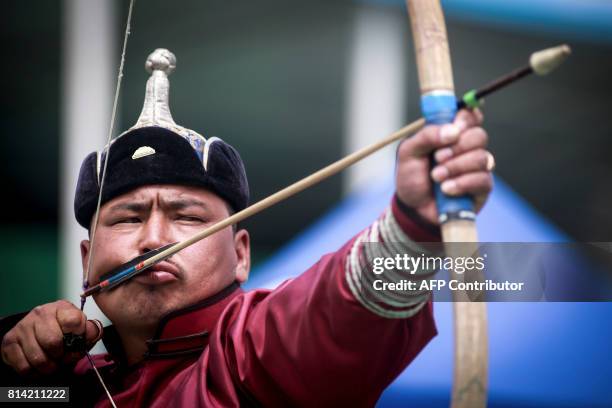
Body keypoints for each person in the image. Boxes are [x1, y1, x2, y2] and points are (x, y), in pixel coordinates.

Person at [0, 49, 493, 407]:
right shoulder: (60, 381)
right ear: (87, 259)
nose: (152, 240)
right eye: (128, 218)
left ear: (240, 254)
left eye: (187, 217)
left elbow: (322, 319)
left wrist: (413, 225)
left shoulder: (248, 358)